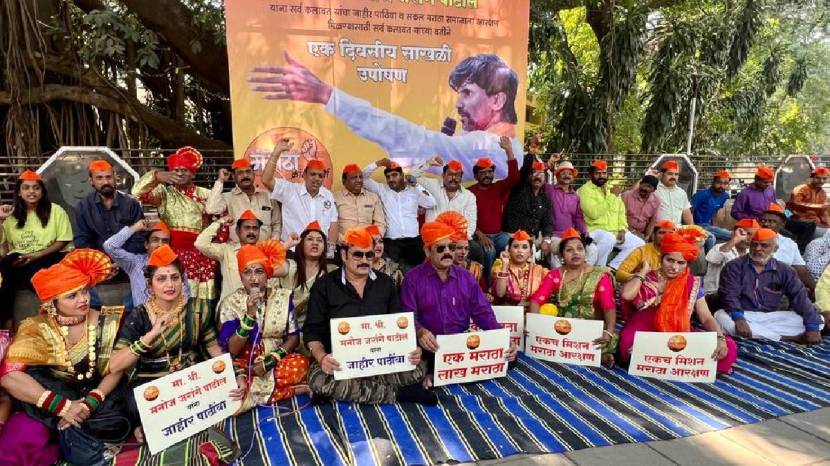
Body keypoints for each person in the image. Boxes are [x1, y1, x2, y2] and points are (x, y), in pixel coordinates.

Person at [249, 52, 524, 180]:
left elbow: (410, 139)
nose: (459, 104)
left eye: (467, 93)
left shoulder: (493, 148)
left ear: (497, 99)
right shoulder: (477, 143)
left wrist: (327, 94)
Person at [0, 249, 130, 465]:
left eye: (85, 291)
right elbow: (9, 377)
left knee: (117, 420)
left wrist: (88, 403)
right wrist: (63, 407)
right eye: (72, 295)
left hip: (97, 400)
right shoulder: (35, 328)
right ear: (52, 303)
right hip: (50, 404)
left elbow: (117, 368)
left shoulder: (108, 320)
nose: (83, 300)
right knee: (22, 438)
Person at [108, 245, 243, 446]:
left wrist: (236, 374)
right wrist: (150, 336)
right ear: (149, 283)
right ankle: (151, 426)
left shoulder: (198, 308)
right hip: (152, 384)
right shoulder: (139, 316)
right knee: (135, 405)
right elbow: (114, 365)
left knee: (224, 393)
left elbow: (215, 350)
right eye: (161, 279)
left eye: (174, 277)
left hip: (190, 379)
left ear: (182, 279)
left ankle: (157, 427)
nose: (169, 284)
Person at [303, 227, 435, 405]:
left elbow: (399, 323)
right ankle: (398, 395)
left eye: (369, 255)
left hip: (381, 360)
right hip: (340, 361)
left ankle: (349, 390)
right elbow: (312, 331)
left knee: (418, 367)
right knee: (318, 379)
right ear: (344, 255)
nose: (364, 260)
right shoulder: (324, 285)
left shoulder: (385, 283)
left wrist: (412, 349)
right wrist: (322, 358)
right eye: (358, 255)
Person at [401, 221, 517, 387]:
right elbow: (408, 315)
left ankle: (441, 375)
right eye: (440, 248)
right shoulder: (412, 279)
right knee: (410, 366)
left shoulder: (467, 277)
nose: (448, 252)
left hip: (459, 344)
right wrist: (419, 331)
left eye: (452, 247)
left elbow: (483, 313)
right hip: (430, 347)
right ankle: (442, 372)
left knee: (509, 357)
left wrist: (502, 338)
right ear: (427, 250)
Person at [618, 232, 737, 374]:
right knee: (627, 344)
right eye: (670, 260)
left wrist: (719, 338)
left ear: (687, 264)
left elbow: (706, 317)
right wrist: (643, 271)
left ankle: (659, 360)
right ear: (661, 258)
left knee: (728, 348)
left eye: (681, 263)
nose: (674, 267)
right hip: (644, 329)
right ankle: (676, 363)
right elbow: (626, 294)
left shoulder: (691, 283)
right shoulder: (647, 277)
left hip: (678, 332)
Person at [218, 242, 309, 411]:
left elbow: (293, 337)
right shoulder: (230, 303)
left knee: (301, 364)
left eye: (259, 271)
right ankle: (288, 391)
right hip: (243, 363)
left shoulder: (282, 297)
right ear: (240, 276)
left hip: (276, 360)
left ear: (268, 275)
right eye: (247, 272)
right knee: (228, 384)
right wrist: (250, 316)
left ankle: (256, 394)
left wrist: (269, 362)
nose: (254, 278)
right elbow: (231, 349)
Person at [132, 146, 217, 313]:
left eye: (184, 170)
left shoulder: (206, 194)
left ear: (193, 173)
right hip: (172, 254)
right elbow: (136, 192)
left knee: (202, 301)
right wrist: (156, 176)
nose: (180, 174)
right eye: (176, 170)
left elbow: (219, 218)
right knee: (175, 296)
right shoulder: (164, 193)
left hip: (201, 254)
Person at [715, 228, 824, 343]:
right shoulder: (734, 267)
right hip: (743, 314)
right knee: (721, 317)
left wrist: (812, 328)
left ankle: (759, 333)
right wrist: (739, 319)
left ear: (775, 248)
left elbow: (800, 298)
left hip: (771, 317)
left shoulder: (785, 270)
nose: (758, 249)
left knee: (818, 321)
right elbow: (729, 296)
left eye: (764, 246)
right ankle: (786, 338)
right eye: (754, 245)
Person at [528, 228, 617, 367]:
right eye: (569, 250)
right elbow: (537, 300)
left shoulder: (599, 275)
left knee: (606, 339)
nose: (575, 253)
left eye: (579, 249)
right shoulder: (555, 275)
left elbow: (608, 306)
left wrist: (609, 332)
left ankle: (598, 353)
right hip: (564, 328)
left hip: (591, 328)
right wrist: (533, 325)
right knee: (545, 335)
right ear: (562, 256)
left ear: (585, 253)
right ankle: (595, 355)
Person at [0, 170, 73, 329]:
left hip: (50, 255)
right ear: (19, 192)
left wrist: (36, 255)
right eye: (26, 188)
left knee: (33, 269)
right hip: (21, 258)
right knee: (6, 265)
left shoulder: (56, 210)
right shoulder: (11, 214)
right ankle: (5, 322)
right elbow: (4, 248)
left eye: (36, 188)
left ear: (42, 191)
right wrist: (0, 219)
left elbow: (63, 239)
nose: (31, 192)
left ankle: (55, 315)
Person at [195, 209, 295, 302]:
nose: (251, 231)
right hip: (230, 309)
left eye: (255, 228)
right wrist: (221, 222)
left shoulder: (265, 252)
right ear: (237, 231)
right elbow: (200, 244)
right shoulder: (226, 250)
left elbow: (285, 270)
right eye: (247, 228)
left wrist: (283, 248)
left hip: (259, 309)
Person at [262, 139, 339, 249]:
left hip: (320, 252)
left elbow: (333, 224)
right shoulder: (290, 190)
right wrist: (276, 153)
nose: (316, 179)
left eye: (320, 176)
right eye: (313, 174)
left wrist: (331, 250)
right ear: (304, 175)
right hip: (294, 250)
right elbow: (266, 180)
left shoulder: (328, 195)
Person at [361, 158, 436, 271]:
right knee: (391, 276)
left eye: (394, 175)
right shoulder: (382, 189)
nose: (391, 179)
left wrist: (416, 185)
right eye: (388, 177)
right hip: (391, 243)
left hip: (413, 242)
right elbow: (363, 177)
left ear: (402, 175)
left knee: (414, 276)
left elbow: (431, 203)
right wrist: (378, 163)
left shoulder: (413, 190)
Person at [103, 220, 191, 308]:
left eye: (164, 241)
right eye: (155, 240)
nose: (160, 245)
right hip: (143, 318)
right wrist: (135, 228)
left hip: (171, 318)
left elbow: (186, 296)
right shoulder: (135, 263)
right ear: (146, 245)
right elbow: (109, 246)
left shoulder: (176, 265)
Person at [468, 137, 520, 281]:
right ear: (476, 175)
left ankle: (514, 282)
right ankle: (489, 287)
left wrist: (509, 151)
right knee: (489, 252)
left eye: (490, 172)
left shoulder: (498, 188)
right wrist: (479, 234)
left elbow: (515, 177)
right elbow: (465, 217)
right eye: (483, 172)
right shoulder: (469, 192)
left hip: (499, 235)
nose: (487, 175)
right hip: (479, 236)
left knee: (516, 244)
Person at [577, 160, 645, 269]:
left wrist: (622, 229)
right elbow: (593, 213)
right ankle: (597, 269)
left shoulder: (610, 189)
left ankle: (613, 267)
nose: (601, 176)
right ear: (590, 175)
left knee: (639, 244)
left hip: (614, 231)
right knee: (608, 238)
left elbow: (621, 212)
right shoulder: (585, 191)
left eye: (604, 173)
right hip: (594, 230)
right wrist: (612, 196)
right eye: (597, 173)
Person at [74, 159, 145, 253]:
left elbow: (139, 237)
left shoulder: (131, 204)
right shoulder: (84, 206)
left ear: (115, 178)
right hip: (98, 261)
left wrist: (123, 260)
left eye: (109, 177)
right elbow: (82, 240)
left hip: (128, 260)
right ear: (91, 181)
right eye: (99, 178)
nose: (105, 182)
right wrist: (100, 260)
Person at [205, 158, 282, 242]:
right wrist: (220, 180)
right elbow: (210, 209)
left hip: (265, 251)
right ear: (234, 176)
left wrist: (274, 244)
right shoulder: (227, 197)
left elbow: (276, 224)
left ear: (254, 174)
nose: (245, 176)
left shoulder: (268, 196)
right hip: (237, 251)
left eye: (248, 171)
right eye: (240, 173)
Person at [411, 158, 477, 247]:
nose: (453, 178)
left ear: (461, 177)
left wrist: (458, 241)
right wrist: (428, 163)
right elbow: (411, 176)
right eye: (450, 174)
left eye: (457, 175)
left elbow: (470, 224)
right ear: (443, 175)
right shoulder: (433, 186)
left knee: (477, 250)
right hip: (433, 239)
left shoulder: (469, 197)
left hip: (457, 241)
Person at [758, 203, 815, 293]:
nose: (765, 224)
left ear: (782, 224)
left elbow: (800, 269)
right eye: (763, 220)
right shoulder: (750, 240)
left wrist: (815, 289)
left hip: (785, 287)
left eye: (771, 221)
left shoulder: (789, 243)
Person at [502, 157, 554, 253]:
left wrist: (547, 239)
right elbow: (523, 172)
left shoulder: (545, 198)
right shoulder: (519, 189)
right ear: (529, 176)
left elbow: (548, 222)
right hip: (513, 237)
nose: (538, 177)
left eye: (541, 175)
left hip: (532, 239)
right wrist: (531, 153)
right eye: (534, 173)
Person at [291, 221, 337, 329]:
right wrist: (287, 244)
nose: (315, 243)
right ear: (301, 244)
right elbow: (266, 266)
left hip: (320, 331)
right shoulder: (291, 267)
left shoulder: (333, 272)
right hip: (291, 331)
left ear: (324, 247)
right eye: (310, 239)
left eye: (320, 240)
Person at [491, 230, 548, 306]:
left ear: (530, 253)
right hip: (508, 312)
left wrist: (529, 304)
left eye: (524, 247)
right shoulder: (500, 267)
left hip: (532, 311)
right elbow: (500, 293)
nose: (520, 250)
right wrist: (505, 264)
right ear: (509, 250)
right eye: (515, 246)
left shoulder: (539, 271)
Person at [703, 219, 760, 295]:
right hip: (714, 294)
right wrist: (736, 239)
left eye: (753, 235)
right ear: (734, 233)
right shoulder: (720, 247)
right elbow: (713, 259)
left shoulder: (752, 254)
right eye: (747, 234)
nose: (749, 238)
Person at [334, 164, 386, 237]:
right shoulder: (335, 198)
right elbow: (331, 225)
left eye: (360, 177)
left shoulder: (373, 197)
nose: (358, 180)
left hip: (369, 243)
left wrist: (372, 239)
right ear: (344, 181)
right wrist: (343, 241)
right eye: (354, 178)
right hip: (344, 244)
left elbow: (380, 223)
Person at [546, 161, 588, 238]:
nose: (567, 176)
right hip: (551, 235)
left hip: (569, 236)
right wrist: (549, 163)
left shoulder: (575, 196)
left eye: (569, 174)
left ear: (573, 177)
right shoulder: (549, 189)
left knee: (591, 248)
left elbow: (578, 219)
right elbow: (539, 175)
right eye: (563, 173)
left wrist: (585, 232)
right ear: (557, 176)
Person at [786, 166, 830, 237]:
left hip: (814, 222)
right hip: (795, 219)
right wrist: (819, 206)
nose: (821, 181)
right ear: (811, 178)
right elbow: (795, 204)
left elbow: (823, 212)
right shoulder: (801, 189)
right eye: (818, 178)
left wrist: (827, 224)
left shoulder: (823, 193)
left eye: (824, 179)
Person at [691, 170, 733, 243]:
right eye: (719, 182)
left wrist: (715, 227)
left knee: (720, 239)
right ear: (713, 182)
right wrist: (691, 228)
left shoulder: (725, 196)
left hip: (708, 226)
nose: (722, 186)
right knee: (732, 235)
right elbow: (689, 211)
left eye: (725, 183)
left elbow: (715, 213)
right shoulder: (702, 195)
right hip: (697, 225)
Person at [620, 175, 661, 240]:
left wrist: (647, 237)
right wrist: (633, 232)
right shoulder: (626, 196)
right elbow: (620, 217)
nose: (644, 188)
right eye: (643, 185)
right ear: (640, 184)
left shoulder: (656, 201)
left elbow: (652, 222)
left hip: (641, 234)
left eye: (649, 187)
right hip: (624, 231)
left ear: (654, 190)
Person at [654, 160, 693, 226]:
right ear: (662, 174)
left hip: (677, 230)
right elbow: (632, 192)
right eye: (670, 174)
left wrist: (693, 230)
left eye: (676, 174)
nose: (673, 177)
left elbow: (687, 215)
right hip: (660, 230)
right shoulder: (654, 189)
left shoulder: (681, 193)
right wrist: (648, 176)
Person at [366, 224, 403, 289]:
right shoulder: (360, 268)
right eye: (373, 242)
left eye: (380, 241)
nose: (378, 245)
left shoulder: (393, 269)